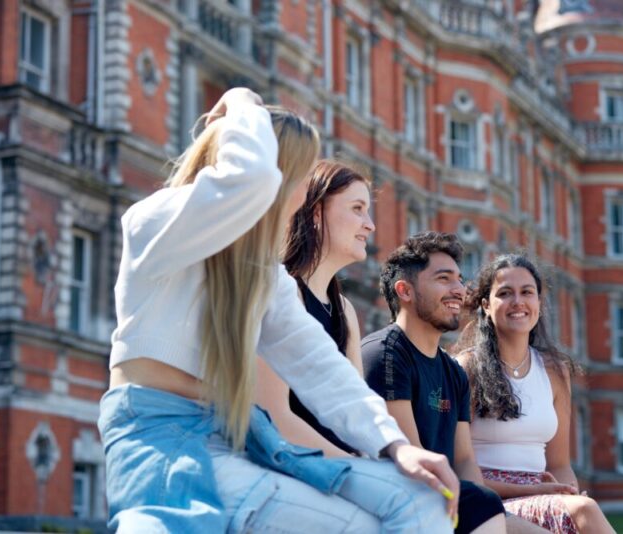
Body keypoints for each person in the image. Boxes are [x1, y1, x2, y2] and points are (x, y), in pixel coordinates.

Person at [98, 88, 458, 533]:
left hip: (237, 440)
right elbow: (249, 181)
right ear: (275, 173)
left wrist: (395, 446)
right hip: (162, 444)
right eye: (303, 177)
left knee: (424, 496)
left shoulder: (263, 275)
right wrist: (242, 103)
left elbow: (321, 369)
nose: (305, 195)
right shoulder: (155, 223)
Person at [362, 232, 549, 534]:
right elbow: (413, 459)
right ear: (405, 291)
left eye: (459, 280)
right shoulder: (384, 355)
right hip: (407, 505)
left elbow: (463, 460)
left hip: (454, 502)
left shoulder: (453, 372)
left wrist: (491, 511)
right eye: (444, 279)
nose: (459, 290)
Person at [454, 254, 615, 534]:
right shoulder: (467, 368)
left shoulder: (555, 371)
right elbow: (462, 469)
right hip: (488, 500)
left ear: (539, 303)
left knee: (582, 509)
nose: (518, 302)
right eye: (505, 293)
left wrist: (567, 493)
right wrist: (542, 490)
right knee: (585, 510)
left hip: (544, 493)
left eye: (527, 292)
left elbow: (560, 464)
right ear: (486, 306)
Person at [256, 159, 374, 457]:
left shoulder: (344, 310)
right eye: (357, 209)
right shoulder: (283, 294)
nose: (370, 225)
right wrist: (361, 468)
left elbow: (358, 415)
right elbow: (275, 418)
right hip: (294, 468)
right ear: (317, 213)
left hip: (341, 468)